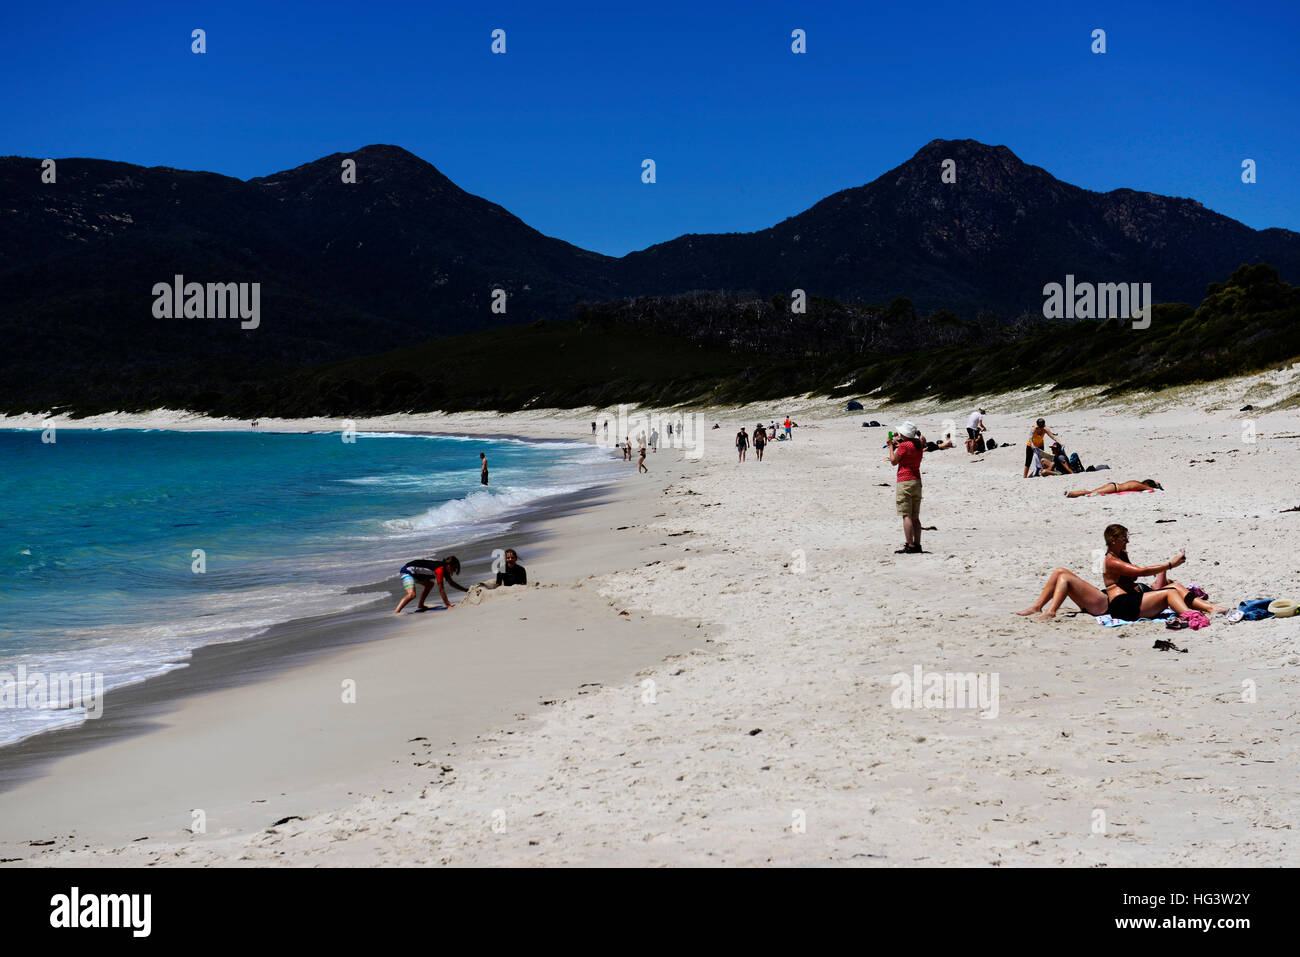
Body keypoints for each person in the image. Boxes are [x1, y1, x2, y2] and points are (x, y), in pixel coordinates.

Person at [888, 421, 925, 554]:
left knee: (906, 515)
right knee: (915, 516)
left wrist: (891, 447)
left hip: (905, 480)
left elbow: (893, 461)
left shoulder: (904, 446)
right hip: (916, 480)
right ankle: (917, 544)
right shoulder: (919, 444)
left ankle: (910, 545)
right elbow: (920, 440)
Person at [394, 556, 468, 614]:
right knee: (412, 594)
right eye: (454, 568)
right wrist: (448, 605)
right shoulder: (440, 570)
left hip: (415, 574)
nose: (454, 571)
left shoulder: (445, 569)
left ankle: (421, 605)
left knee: (430, 584)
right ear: (449, 566)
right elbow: (441, 589)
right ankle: (396, 612)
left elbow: (451, 583)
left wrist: (466, 590)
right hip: (407, 571)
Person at [1065, 479, 1163, 498]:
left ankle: (1072, 493)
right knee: (1091, 492)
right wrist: (1157, 485)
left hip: (1114, 485)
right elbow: (1152, 489)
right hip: (1115, 489)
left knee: (1093, 491)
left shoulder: (1136, 482)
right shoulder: (1143, 486)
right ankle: (1071, 493)